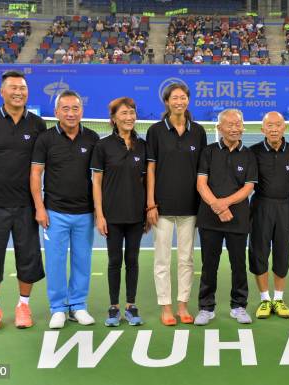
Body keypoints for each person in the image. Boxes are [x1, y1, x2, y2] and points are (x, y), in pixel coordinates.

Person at [0, 70, 46, 331]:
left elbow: (39, 166)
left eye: (22, 88)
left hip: (26, 205)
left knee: (28, 257)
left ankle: (23, 306)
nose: (18, 92)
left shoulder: (37, 124)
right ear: (2, 92)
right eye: (13, 88)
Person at [30, 90, 100, 329]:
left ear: (82, 111)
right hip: (54, 213)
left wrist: (99, 212)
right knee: (56, 261)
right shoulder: (45, 139)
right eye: (66, 109)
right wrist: (40, 208)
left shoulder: (92, 138)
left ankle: (78, 305)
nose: (71, 113)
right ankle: (58, 308)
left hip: (85, 213)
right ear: (57, 112)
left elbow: (99, 179)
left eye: (75, 108)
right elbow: (36, 173)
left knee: (83, 260)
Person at [146, 83, 207, 326]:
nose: (179, 102)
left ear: (188, 100)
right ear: (167, 102)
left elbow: (203, 171)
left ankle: (183, 305)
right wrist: (151, 203)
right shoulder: (156, 131)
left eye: (183, 97)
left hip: (190, 207)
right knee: (162, 259)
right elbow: (151, 168)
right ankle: (166, 307)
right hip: (162, 207)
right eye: (174, 98)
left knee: (186, 259)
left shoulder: (198, 132)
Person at [193, 109, 257, 326]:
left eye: (238, 123)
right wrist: (217, 207)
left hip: (238, 219)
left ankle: (239, 306)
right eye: (229, 124)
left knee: (238, 264)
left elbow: (248, 187)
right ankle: (206, 307)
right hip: (209, 220)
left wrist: (225, 204)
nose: (234, 128)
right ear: (219, 128)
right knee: (209, 264)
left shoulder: (249, 155)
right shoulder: (208, 152)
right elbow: (201, 184)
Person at [91, 97, 147, 327]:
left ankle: (130, 306)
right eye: (123, 113)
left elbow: (145, 180)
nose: (129, 117)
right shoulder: (102, 146)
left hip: (136, 214)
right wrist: (100, 215)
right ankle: (114, 307)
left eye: (132, 113)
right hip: (112, 215)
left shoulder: (142, 145)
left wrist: (146, 211)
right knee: (115, 261)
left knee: (132, 260)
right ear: (114, 118)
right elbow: (96, 182)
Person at [249, 111, 289, 319]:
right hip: (261, 206)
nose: (274, 129)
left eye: (278, 125)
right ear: (263, 130)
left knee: (282, 253)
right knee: (259, 252)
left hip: (286, 207)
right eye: (270, 125)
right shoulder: (253, 152)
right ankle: (264, 300)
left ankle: (278, 298)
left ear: (284, 128)